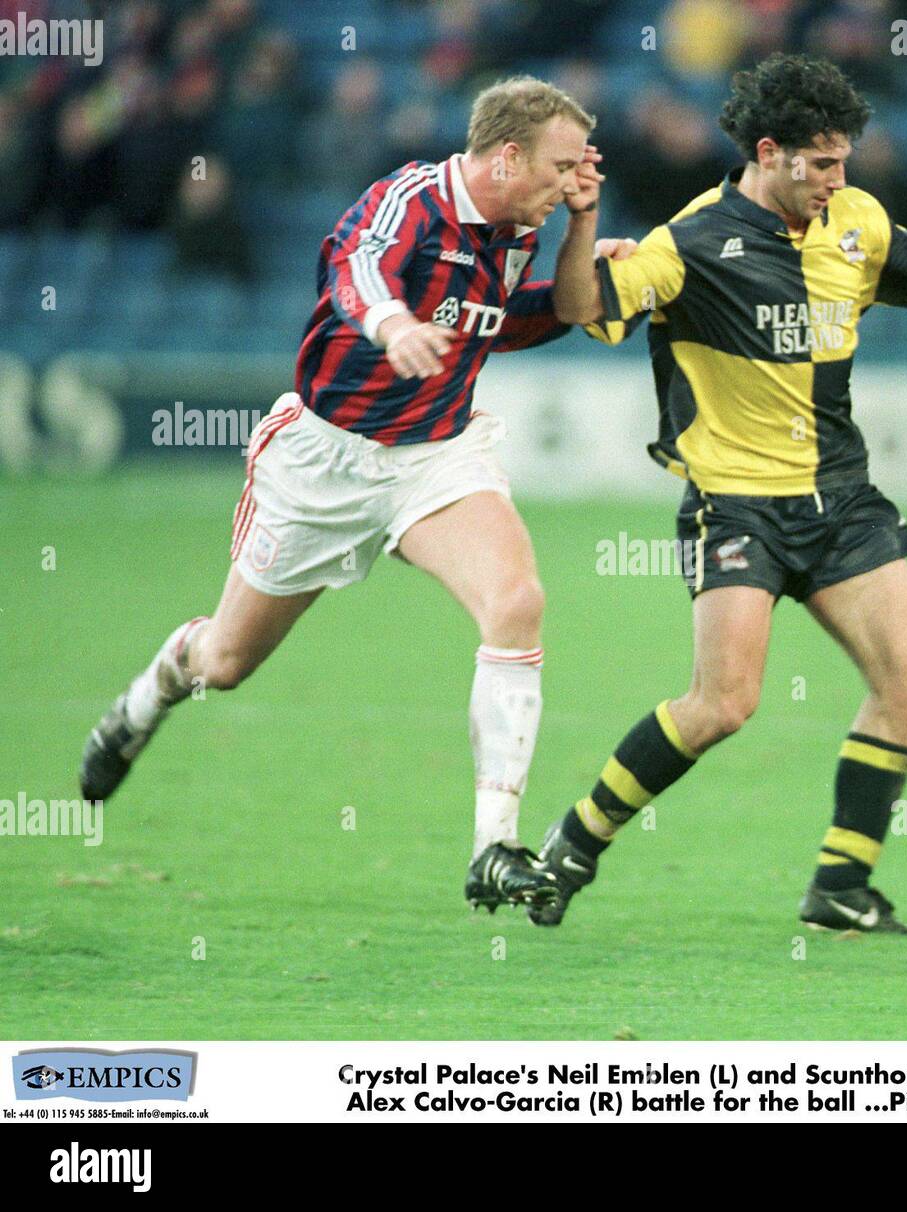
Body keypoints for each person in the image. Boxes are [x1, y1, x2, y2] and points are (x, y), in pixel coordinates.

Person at [537, 53, 907, 934]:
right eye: (821, 163)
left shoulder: (856, 222)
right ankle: (574, 844)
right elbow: (579, 306)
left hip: (841, 501)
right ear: (771, 151)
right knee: (723, 706)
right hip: (737, 505)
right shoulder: (689, 243)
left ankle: (839, 889)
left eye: (844, 161)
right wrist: (583, 228)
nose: (839, 178)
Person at [80, 76, 621, 913]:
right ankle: (151, 690)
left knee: (516, 601)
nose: (568, 181)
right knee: (225, 664)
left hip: (435, 456)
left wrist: (585, 225)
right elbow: (355, 268)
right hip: (321, 464)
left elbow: (545, 316)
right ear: (507, 156)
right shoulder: (411, 200)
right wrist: (392, 325)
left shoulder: (525, 226)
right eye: (560, 168)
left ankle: (494, 847)